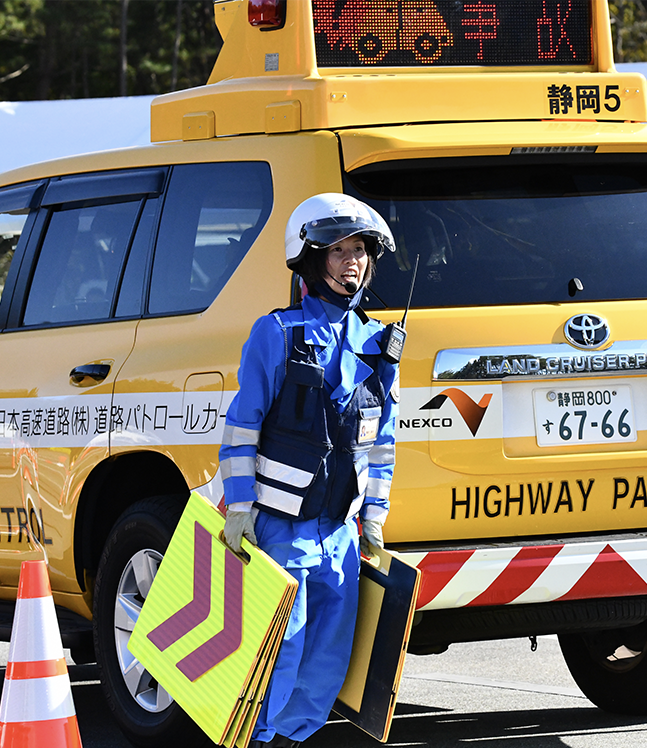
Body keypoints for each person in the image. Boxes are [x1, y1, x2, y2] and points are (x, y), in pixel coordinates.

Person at [218, 193, 400, 748]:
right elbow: (242, 426)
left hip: (341, 535)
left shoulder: (378, 345)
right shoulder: (276, 334)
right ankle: (263, 739)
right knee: (281, 649)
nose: (352, 262)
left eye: (361, 251)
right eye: (338, 250)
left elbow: (383, 440)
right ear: (309, 257)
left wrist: (373, 516)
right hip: (279, 529)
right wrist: (241, 507)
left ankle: (295, 739)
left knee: (327, 657)